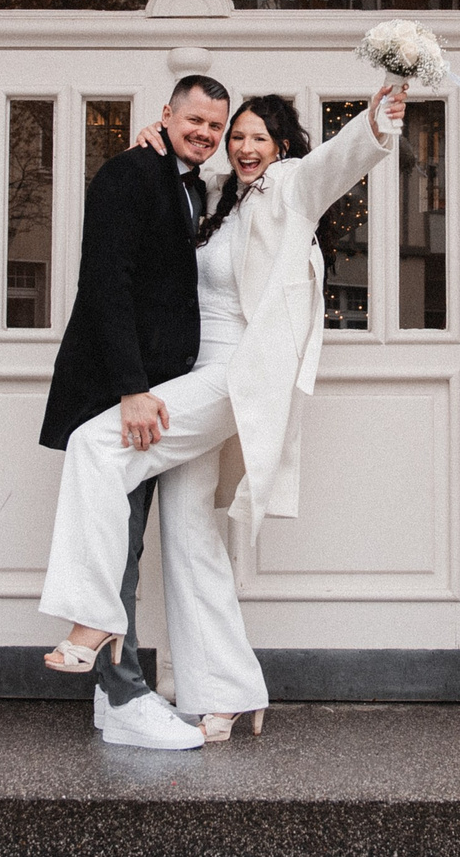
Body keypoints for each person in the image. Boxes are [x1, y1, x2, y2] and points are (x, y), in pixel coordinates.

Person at [38, 81, 406, 747]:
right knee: (187, 534)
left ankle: (91, 620)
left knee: (96, 444)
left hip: (234, 376)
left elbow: (337, 163)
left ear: (282, 145)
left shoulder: (291, 185)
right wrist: (145, 152)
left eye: (254, 136)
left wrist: (377, 123)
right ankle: (227, 692)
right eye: (232, 134)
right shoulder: (213, 200)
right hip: (189, 373)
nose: (239, 145)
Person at [35, 74, 230, 750]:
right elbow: (105, 281)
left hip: (160, 390)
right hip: (126, 391)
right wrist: (131, 387)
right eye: (194, 119)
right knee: (119, 542)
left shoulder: (195, 185)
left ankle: (111, 691)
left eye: (215, 126)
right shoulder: (130, 173)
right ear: (167, 115)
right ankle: (123, 695)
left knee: (129, 539)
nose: (204, 133)